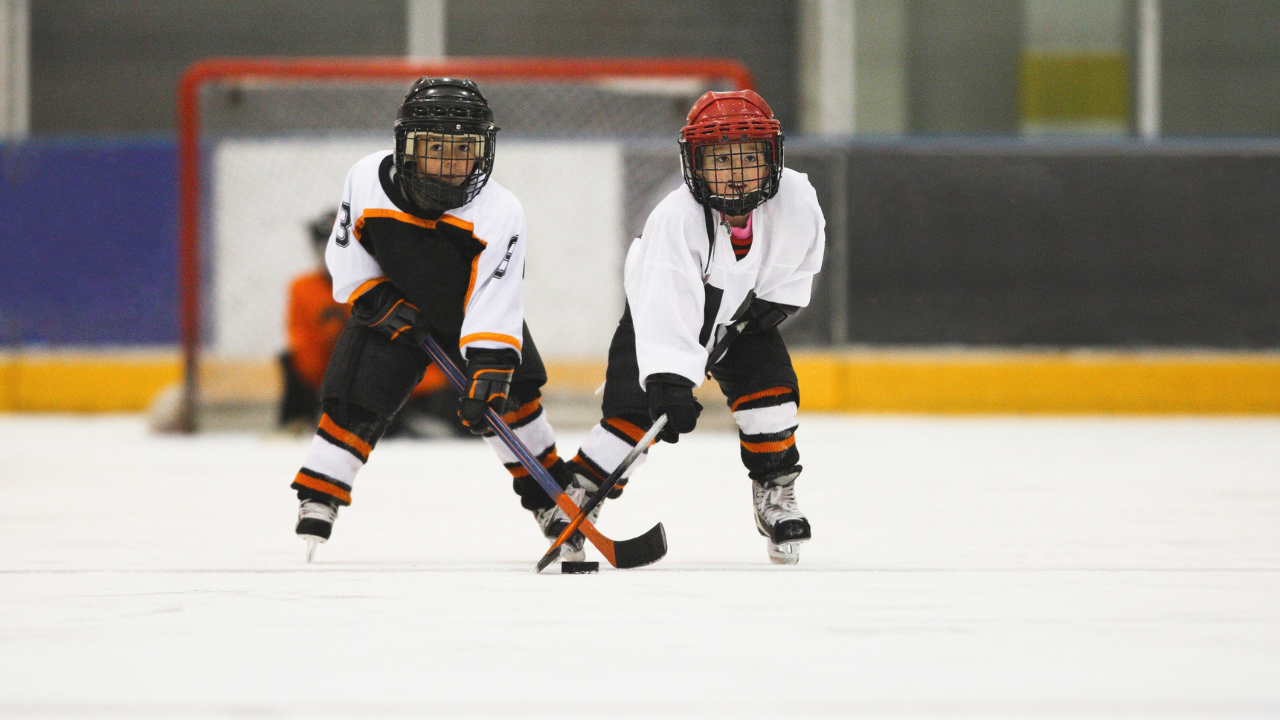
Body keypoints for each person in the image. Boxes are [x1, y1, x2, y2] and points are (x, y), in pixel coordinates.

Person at [289, 77, 580, 559]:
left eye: (463, 148)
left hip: (471, 314)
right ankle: (320, 493)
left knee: (514, 398)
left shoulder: (500, 209)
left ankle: (551, 499)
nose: (449, 163)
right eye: (435, 148)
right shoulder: (365, 178)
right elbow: (346, 250)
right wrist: (374, 298)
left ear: (484, 151)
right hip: (395, 308)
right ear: (407, 148)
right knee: (358, 390)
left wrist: (489, 363)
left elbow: (497, 293)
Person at [563, 90, 826, 564]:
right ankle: (578, 496)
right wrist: (668, 378)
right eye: (721, 158)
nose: (736, 171)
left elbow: (805, 255)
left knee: (772, 397)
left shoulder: (797, 198)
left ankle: (775, 494)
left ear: (772, 158)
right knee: (632, 415)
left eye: (748, 156)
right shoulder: (676, 218)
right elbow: (664, 305)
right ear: (695, 164)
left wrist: (775, 303)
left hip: (745, 316)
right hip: (660, 317)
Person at [277, 210, 461, 439]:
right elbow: (306, 353)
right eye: (325, 246)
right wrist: (334, 385)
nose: (333, 255)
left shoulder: (385, 279)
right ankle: (299, 419)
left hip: (396, 379)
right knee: (288, 358)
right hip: (338, 379)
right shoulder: (304, 288)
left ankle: (419, 417)